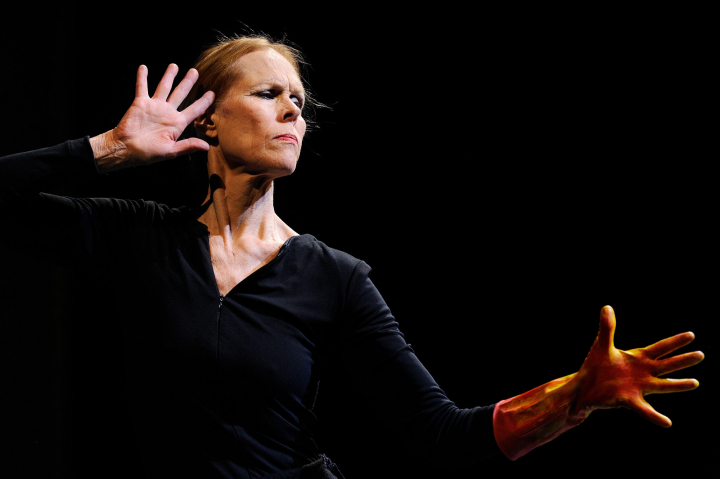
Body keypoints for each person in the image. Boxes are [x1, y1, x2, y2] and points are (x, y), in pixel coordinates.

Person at [0, 34, 704, 478]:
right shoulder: (139, 236)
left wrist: (573, 396)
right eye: (270, 93)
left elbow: (445, 432)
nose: (294, 113)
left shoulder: (333, 277)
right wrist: (107, 150)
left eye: (299, 102)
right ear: (208, 117)